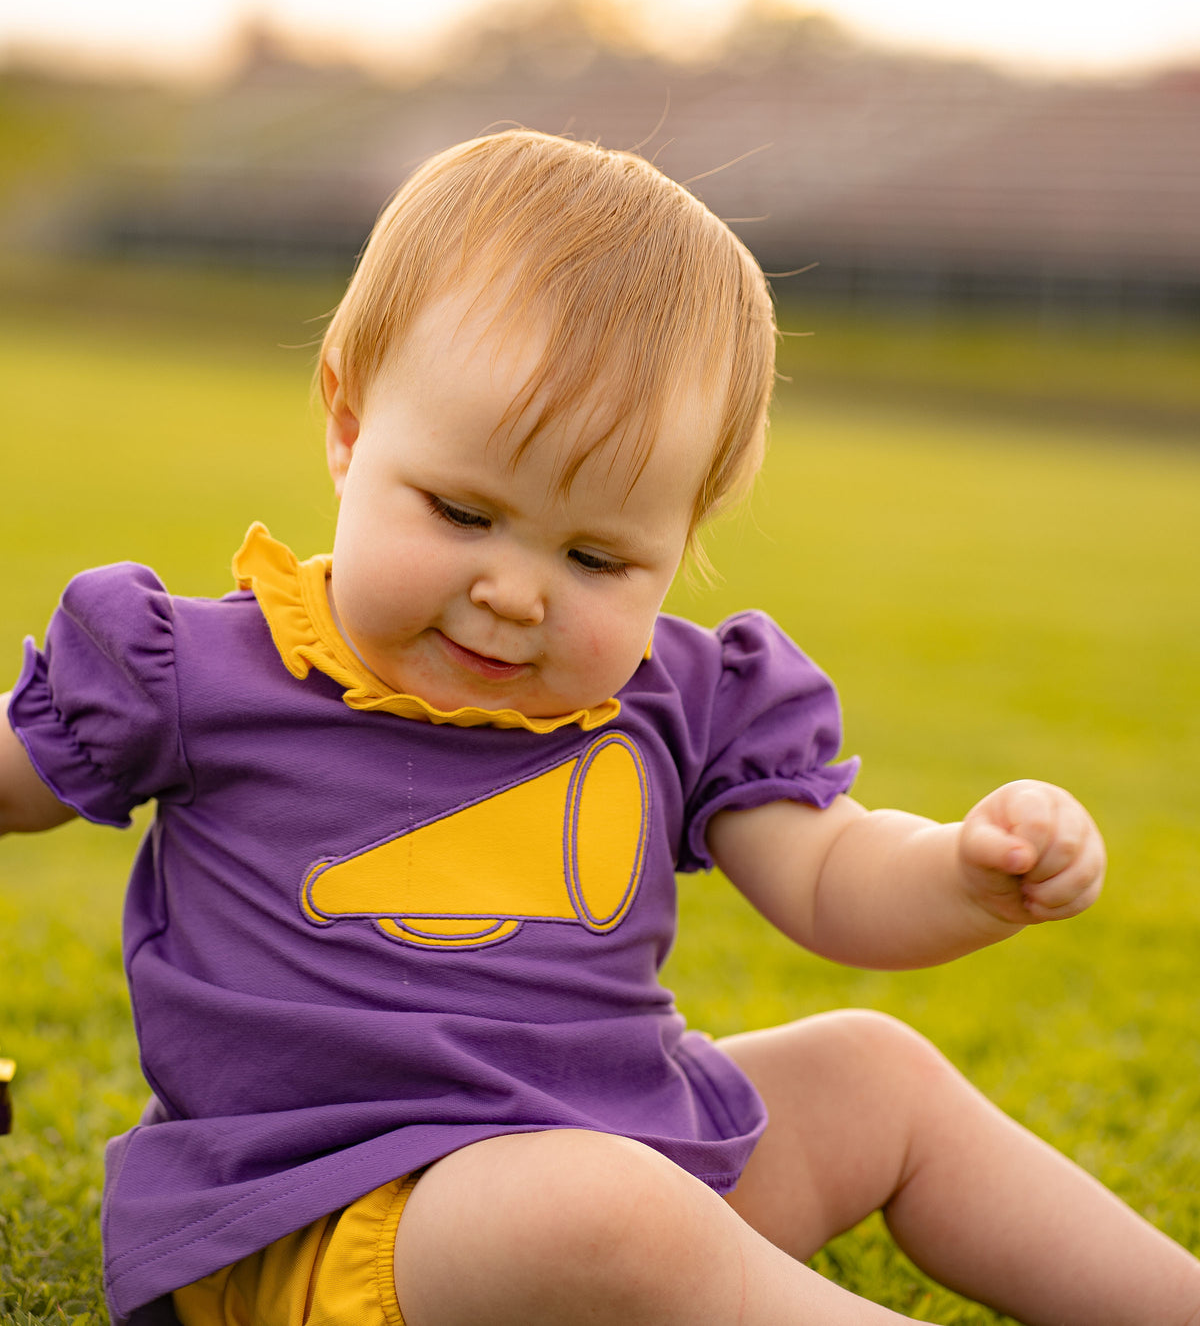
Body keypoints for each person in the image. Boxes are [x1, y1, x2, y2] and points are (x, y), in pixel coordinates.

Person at [1, 130, 1197, 1326]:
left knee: (873, 1074)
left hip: (623, 1164)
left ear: (684, 539)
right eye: (463, 512)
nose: (516, 593)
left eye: (595, 557)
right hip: (330, 1222)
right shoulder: (195, 667)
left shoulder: (683, 698)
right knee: (601, 1216)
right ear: (351, 427)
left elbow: (832, 877)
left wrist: (964, 873)